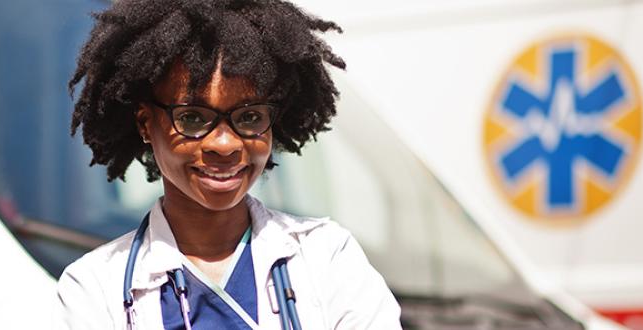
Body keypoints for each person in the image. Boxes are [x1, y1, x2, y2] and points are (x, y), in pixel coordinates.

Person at [58, 0, 401, 328]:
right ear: (146, 124)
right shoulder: (95, 288)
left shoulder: (328, 258)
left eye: (250, 116)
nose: (225, 144)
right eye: (192, 118)